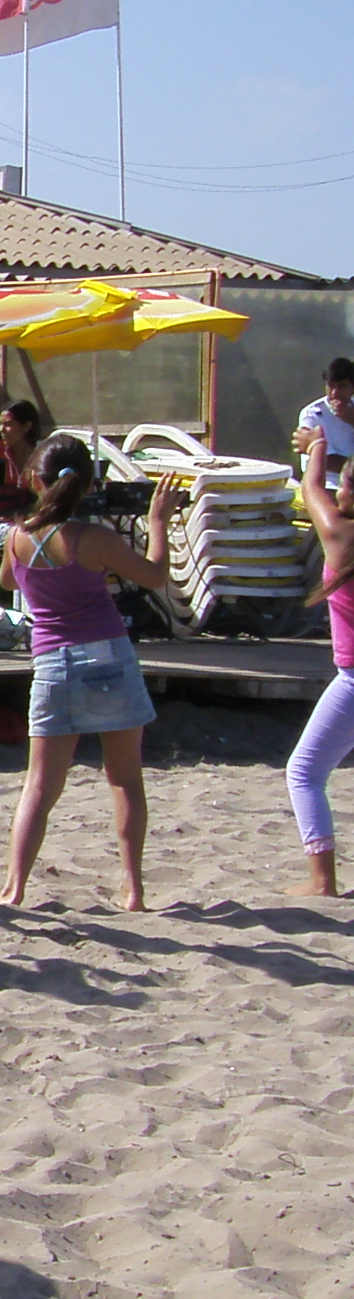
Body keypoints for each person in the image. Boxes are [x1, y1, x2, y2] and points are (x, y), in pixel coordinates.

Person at [0, 434, 177, 912]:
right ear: (88, 485)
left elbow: (7, 580)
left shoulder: (17, 537)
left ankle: (14, 887)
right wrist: (157, 522)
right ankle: (133, 890)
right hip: (107, 655)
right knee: (125, 778)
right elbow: (155, 576)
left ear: (36, 480)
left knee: (39, 785)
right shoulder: (94, 539)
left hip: (53, 662)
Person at [282, 432, 354, 897]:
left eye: (343, 484)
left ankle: (322, 880)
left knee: (304, 772)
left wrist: (317, 447)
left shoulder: (341, 536)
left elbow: (310, 489)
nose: (337, 490)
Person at [292, 358, 354, 491]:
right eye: (330, 386)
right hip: (327, 486)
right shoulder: (312, 413)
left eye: (342, 386)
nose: (334, 393)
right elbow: (324, 460)